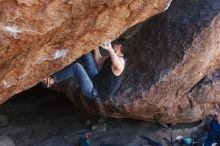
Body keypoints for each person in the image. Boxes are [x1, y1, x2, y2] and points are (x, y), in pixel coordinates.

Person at [43, 37, 128, 101]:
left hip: (94, 92)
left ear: (119, 46)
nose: (112, 45)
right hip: (94, 79)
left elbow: (118, 66)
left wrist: (109, 49)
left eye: (114, 44)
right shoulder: (111, 57)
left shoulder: (121, 61)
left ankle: (51, 81)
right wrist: (96, 47)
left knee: (76, 67)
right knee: (87, 54)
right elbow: (98, 61)